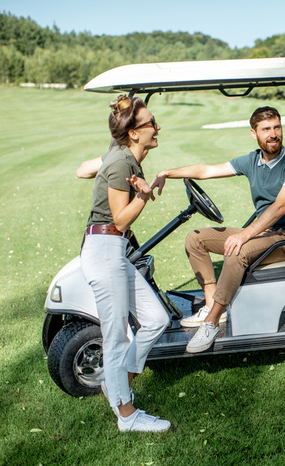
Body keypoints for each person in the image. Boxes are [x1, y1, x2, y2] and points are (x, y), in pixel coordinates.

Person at [150, 106, 285, 353]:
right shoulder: (251, 160)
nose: (273, 134)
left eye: (277, 127)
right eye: (266, 129)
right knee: (196, 239)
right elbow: (206, 170)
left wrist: (245, 234)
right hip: (262, 233)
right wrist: (167, 173)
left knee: (237, 250)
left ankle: (212, 321)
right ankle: (213, 303)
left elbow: (281, 207)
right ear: (253, 133)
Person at [79, 95, 171, 432]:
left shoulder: (121, 157)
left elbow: (81, 171)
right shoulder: (121, 164)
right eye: (150, 124)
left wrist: (104, 167)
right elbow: (119, 219)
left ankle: (116, 382)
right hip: (105, 248)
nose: (157, 127)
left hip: (112, 249)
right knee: (115, 337)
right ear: (133, 133)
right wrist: (144, 197)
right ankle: (127, 415)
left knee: (156, 319)